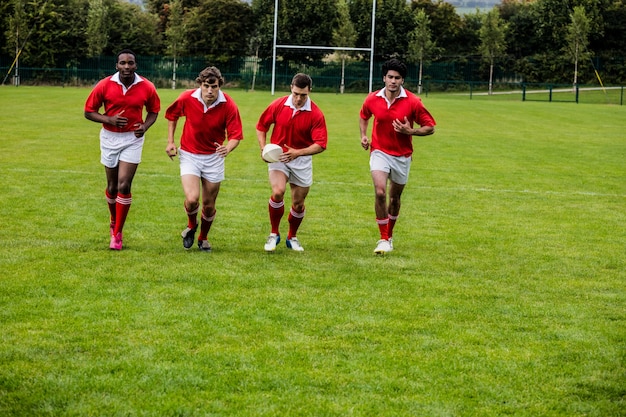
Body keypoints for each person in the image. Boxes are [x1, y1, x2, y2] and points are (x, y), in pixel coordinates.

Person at [84, 49, 161, 250]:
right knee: (112, 187)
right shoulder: (104, 85)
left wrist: (144, 126)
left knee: (124, 185)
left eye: (130, 63)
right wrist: (108, 119)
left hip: (132, 140)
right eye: (123, 63)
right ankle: (113, 220)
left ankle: (117, 234)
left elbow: (154, 111)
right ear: (116, 66)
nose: (127, 67)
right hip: (109, 138)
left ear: (136, 65)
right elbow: (88, 112)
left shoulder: (147, 86)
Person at [359, 58, 436, 254]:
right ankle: (383, 238)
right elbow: (364, 115)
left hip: (402, 155)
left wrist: (410, 132)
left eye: (397, 78)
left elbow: (430, 127)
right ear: (384, 78)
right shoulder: (372, 99)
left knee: (394, 198)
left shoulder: (413, 102)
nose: (393, 81)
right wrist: (364, 136)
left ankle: (390, 235)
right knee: (380, 192)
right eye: (390, 77)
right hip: (379, 151)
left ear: (402, 81)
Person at [165, 67, 244, 252]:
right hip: (190, 155)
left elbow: (236, 136)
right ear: (200, 85)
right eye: (206, 86)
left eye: (214, 86)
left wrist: (228, 148)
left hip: (214, 158)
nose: (210, 90)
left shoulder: (229, 105)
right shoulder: (187, 98)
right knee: (192, 199)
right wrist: (170, 142)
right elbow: (172, 115)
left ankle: (203, 238)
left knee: (209, 206)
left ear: (219, 86)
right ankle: (192, 225)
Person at [256, 73, 328, 252]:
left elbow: (321, 144)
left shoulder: (316, 114)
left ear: (310, 91)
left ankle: (292, 237)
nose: (298, 98)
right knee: (278, 191)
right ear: (291, 88)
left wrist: (298, 153)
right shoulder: (279, 105)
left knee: (298, 203)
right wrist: (264, 148)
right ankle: (274, 234)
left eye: (303, 95)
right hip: (278, 157)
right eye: (296, 93)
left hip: (301, 160)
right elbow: (261, 127)